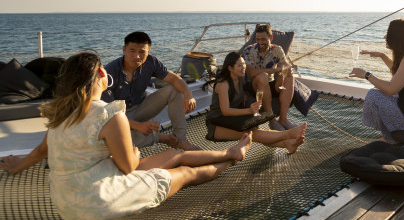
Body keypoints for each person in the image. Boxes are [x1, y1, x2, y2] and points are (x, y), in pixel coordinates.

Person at [0, 52, 252, 220]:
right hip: (99, 202)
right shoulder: (110, 113)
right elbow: (129, 167)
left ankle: (229, 152)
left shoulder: (61, 114)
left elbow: (41, 150)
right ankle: (231, 159)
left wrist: (16, 165)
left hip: (67, 204)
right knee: (183, 173)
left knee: (174, 154)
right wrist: (134, 152)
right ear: (102, 75)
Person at [102, 31, 197, 150]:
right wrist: (138, 126)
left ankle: (180, 140)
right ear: (124, 50)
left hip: (141, 108)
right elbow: (108, 114)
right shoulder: (109, 73)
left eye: (142, 52)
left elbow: (173, 78)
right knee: (117, 141)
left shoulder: (151, 62)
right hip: (118, 116)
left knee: (173, 90)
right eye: (132, 51)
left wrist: (188, 94)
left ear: (148, 52)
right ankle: (163, 138)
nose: (137, 56)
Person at [349, 18, 404, 143]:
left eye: (388, 33)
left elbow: (392, 89)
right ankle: (389, 134)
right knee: (378, 91)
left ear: (397, 37)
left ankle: (392, 136)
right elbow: (399, 75)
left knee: (374, 95)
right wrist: (382, 56)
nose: (385, 36)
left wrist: (366, 75)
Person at [206, 52, 306, 153]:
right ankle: (288, 134)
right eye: (239, 65)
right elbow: (225, 111)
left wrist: (243, 97)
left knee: (255, 132)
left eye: (244, 64)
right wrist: (249, 110)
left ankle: (288, 144)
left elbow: (238, 94)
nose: (243, 67)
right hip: (216, 124)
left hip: (231, 120)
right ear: (230, 68)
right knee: (253, 134)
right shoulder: (223, 84)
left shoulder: (239, 79)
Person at [243, 24, 295, 131]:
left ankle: (283, 119)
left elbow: (284, 66)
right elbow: (251, 73)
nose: (260, 42)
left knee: (289, 75)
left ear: (270, 38)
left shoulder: (277, 49)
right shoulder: (249, 50)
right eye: (257, 39)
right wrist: (276, 70)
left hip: (271, 84)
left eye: (263, 39)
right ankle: (272, 120)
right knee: (263, 77)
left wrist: (286, 70)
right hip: (255, 86)